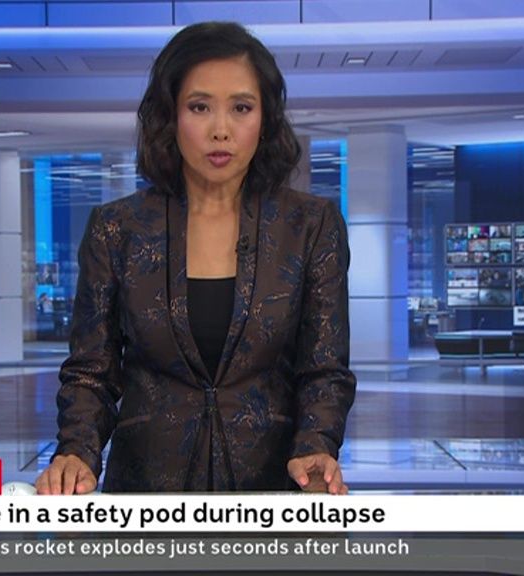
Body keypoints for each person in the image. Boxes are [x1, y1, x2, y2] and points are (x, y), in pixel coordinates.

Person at [37, 22, 356, 495]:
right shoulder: (117, 229)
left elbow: (324, 369)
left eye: (241, 108)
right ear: (170, 115)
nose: (220, 130)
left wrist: (317, 443)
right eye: (199, 107)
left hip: (272, 491)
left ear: (266, 118)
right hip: (147, 495)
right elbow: (92, 371)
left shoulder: (310, 226)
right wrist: (76, 451)